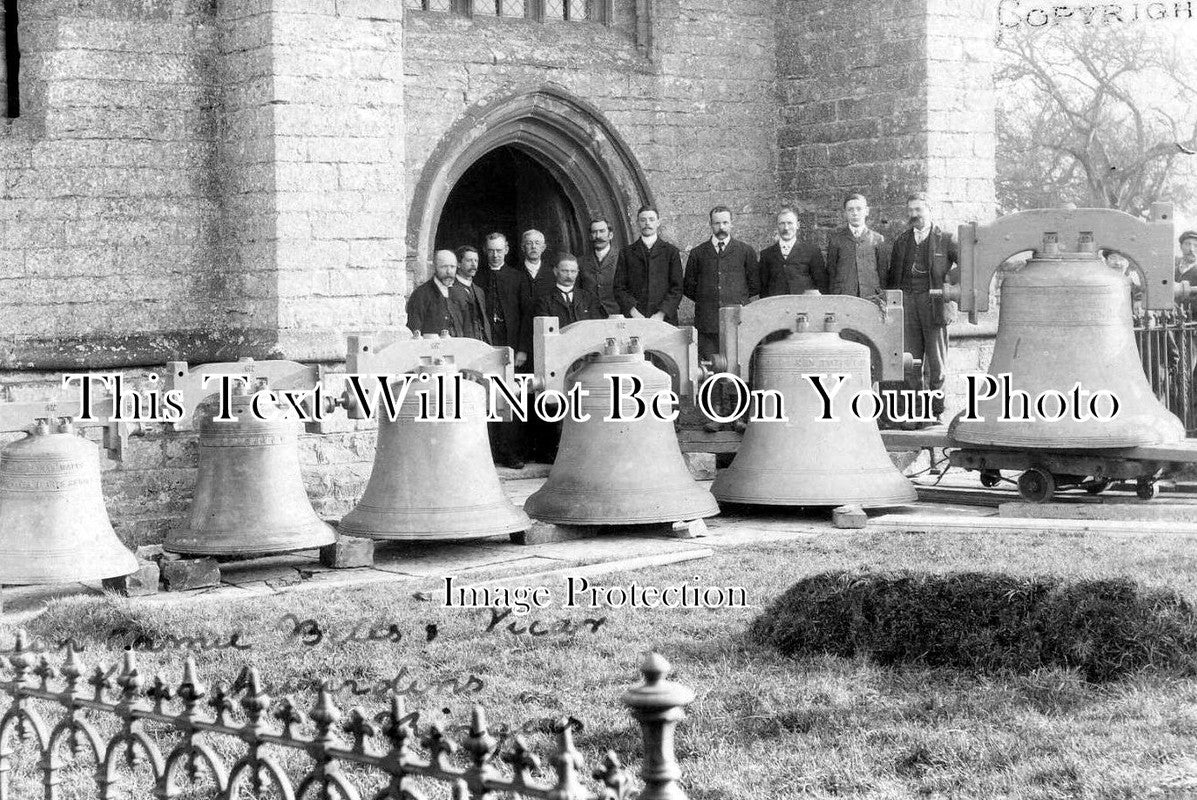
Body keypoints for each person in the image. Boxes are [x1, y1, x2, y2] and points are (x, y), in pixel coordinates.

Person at [886, 192, 960, 422]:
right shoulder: (902, 240)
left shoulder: (946, 239)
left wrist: (948, 281)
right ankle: (915, 412)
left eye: (918, 210)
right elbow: (893, 277)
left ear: (929, 210)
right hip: (908, 303)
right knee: (910, 360)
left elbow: (966, 270)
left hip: (935, 304)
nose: (914, 215)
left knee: (936, 364)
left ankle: (935, 412)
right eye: (910, 211)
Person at [475, 232, 534, 469]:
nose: (495, 254)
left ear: (507, 250)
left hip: (511, 346)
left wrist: (522, 349)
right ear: (485, 251)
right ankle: (488, 454)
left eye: (499, 250)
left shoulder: (518, 278)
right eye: (491, 250)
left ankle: (511, 453)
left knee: (511, 397)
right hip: (486, 346)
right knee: (486, 397)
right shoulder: (477, 278)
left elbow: (526, 315)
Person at [682, 205, 760, 361]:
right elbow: (689, 287)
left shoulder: (745, 251)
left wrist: (734, 297)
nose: (721, 227)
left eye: (725, 222)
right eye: (717, 223)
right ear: (710, 224)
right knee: (710, 366)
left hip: (736, 321)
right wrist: (708, 300)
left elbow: (754, 284)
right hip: (707, 323)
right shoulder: (698, 253)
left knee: (736, 364)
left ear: (731, 223)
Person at [613, 205, 684, 325]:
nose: (647, 223)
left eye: (651, 219)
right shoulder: (627, 253)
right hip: (634, 320)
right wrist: (634, 313)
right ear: (637, 223)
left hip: (664, 320)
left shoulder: (671, 252)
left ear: (658, 222)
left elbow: (677, 288)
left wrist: (660, 314)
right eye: (643, 220)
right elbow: (619, 288)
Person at [826, 194, 888, 302]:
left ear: (866, 211)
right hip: (845, 297)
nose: (855, 213)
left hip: (871, 296)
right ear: (845, 213)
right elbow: (831, 271)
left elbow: (883, 272)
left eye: (859, 209)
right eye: (850, 210)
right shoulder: (836, 240)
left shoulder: (878, 239)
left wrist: (881, 294)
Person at [760, 206, 827, 296]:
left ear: (797, 225)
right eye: (782, 223)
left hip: (803, 305)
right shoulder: (767, 254)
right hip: (777, 306)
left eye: (790, 223)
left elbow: (821, 284)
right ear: (777, 226)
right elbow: (763, 288)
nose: (786, 228)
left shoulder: (812, 251)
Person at [405, 250, 467, 337]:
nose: (449, 271)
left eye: (452, 267)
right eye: (444, 267)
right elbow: (414, 331)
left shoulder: (461, 293)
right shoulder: (421, 295)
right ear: (434, 267)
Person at [534, 254, 603, 324]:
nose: (569, 276)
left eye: (573, 271)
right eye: (564, 271)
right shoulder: (544, 300)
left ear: (577, 273)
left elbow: (595, 326)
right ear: (555, 271)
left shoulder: (588, 298)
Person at [578, 217, 619, 316]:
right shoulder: (580, 262)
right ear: (590, 236)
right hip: (590, 318)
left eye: (602, 231)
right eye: (594, 232)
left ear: (610, 235)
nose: (598, 236)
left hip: (617, 316)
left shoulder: (623, 258)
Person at [453, 245, 492, 343]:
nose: (474, 264)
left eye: (476, 261)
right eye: (469, 260)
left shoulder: (479, 291)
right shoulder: (450, 289)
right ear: (458, 263)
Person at [521, 229, 558, 301]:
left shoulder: (553, 273)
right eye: (529, 243)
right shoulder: (514, 273)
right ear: (523, 247)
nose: (533, 246)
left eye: (537, 243)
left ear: (543, 248)